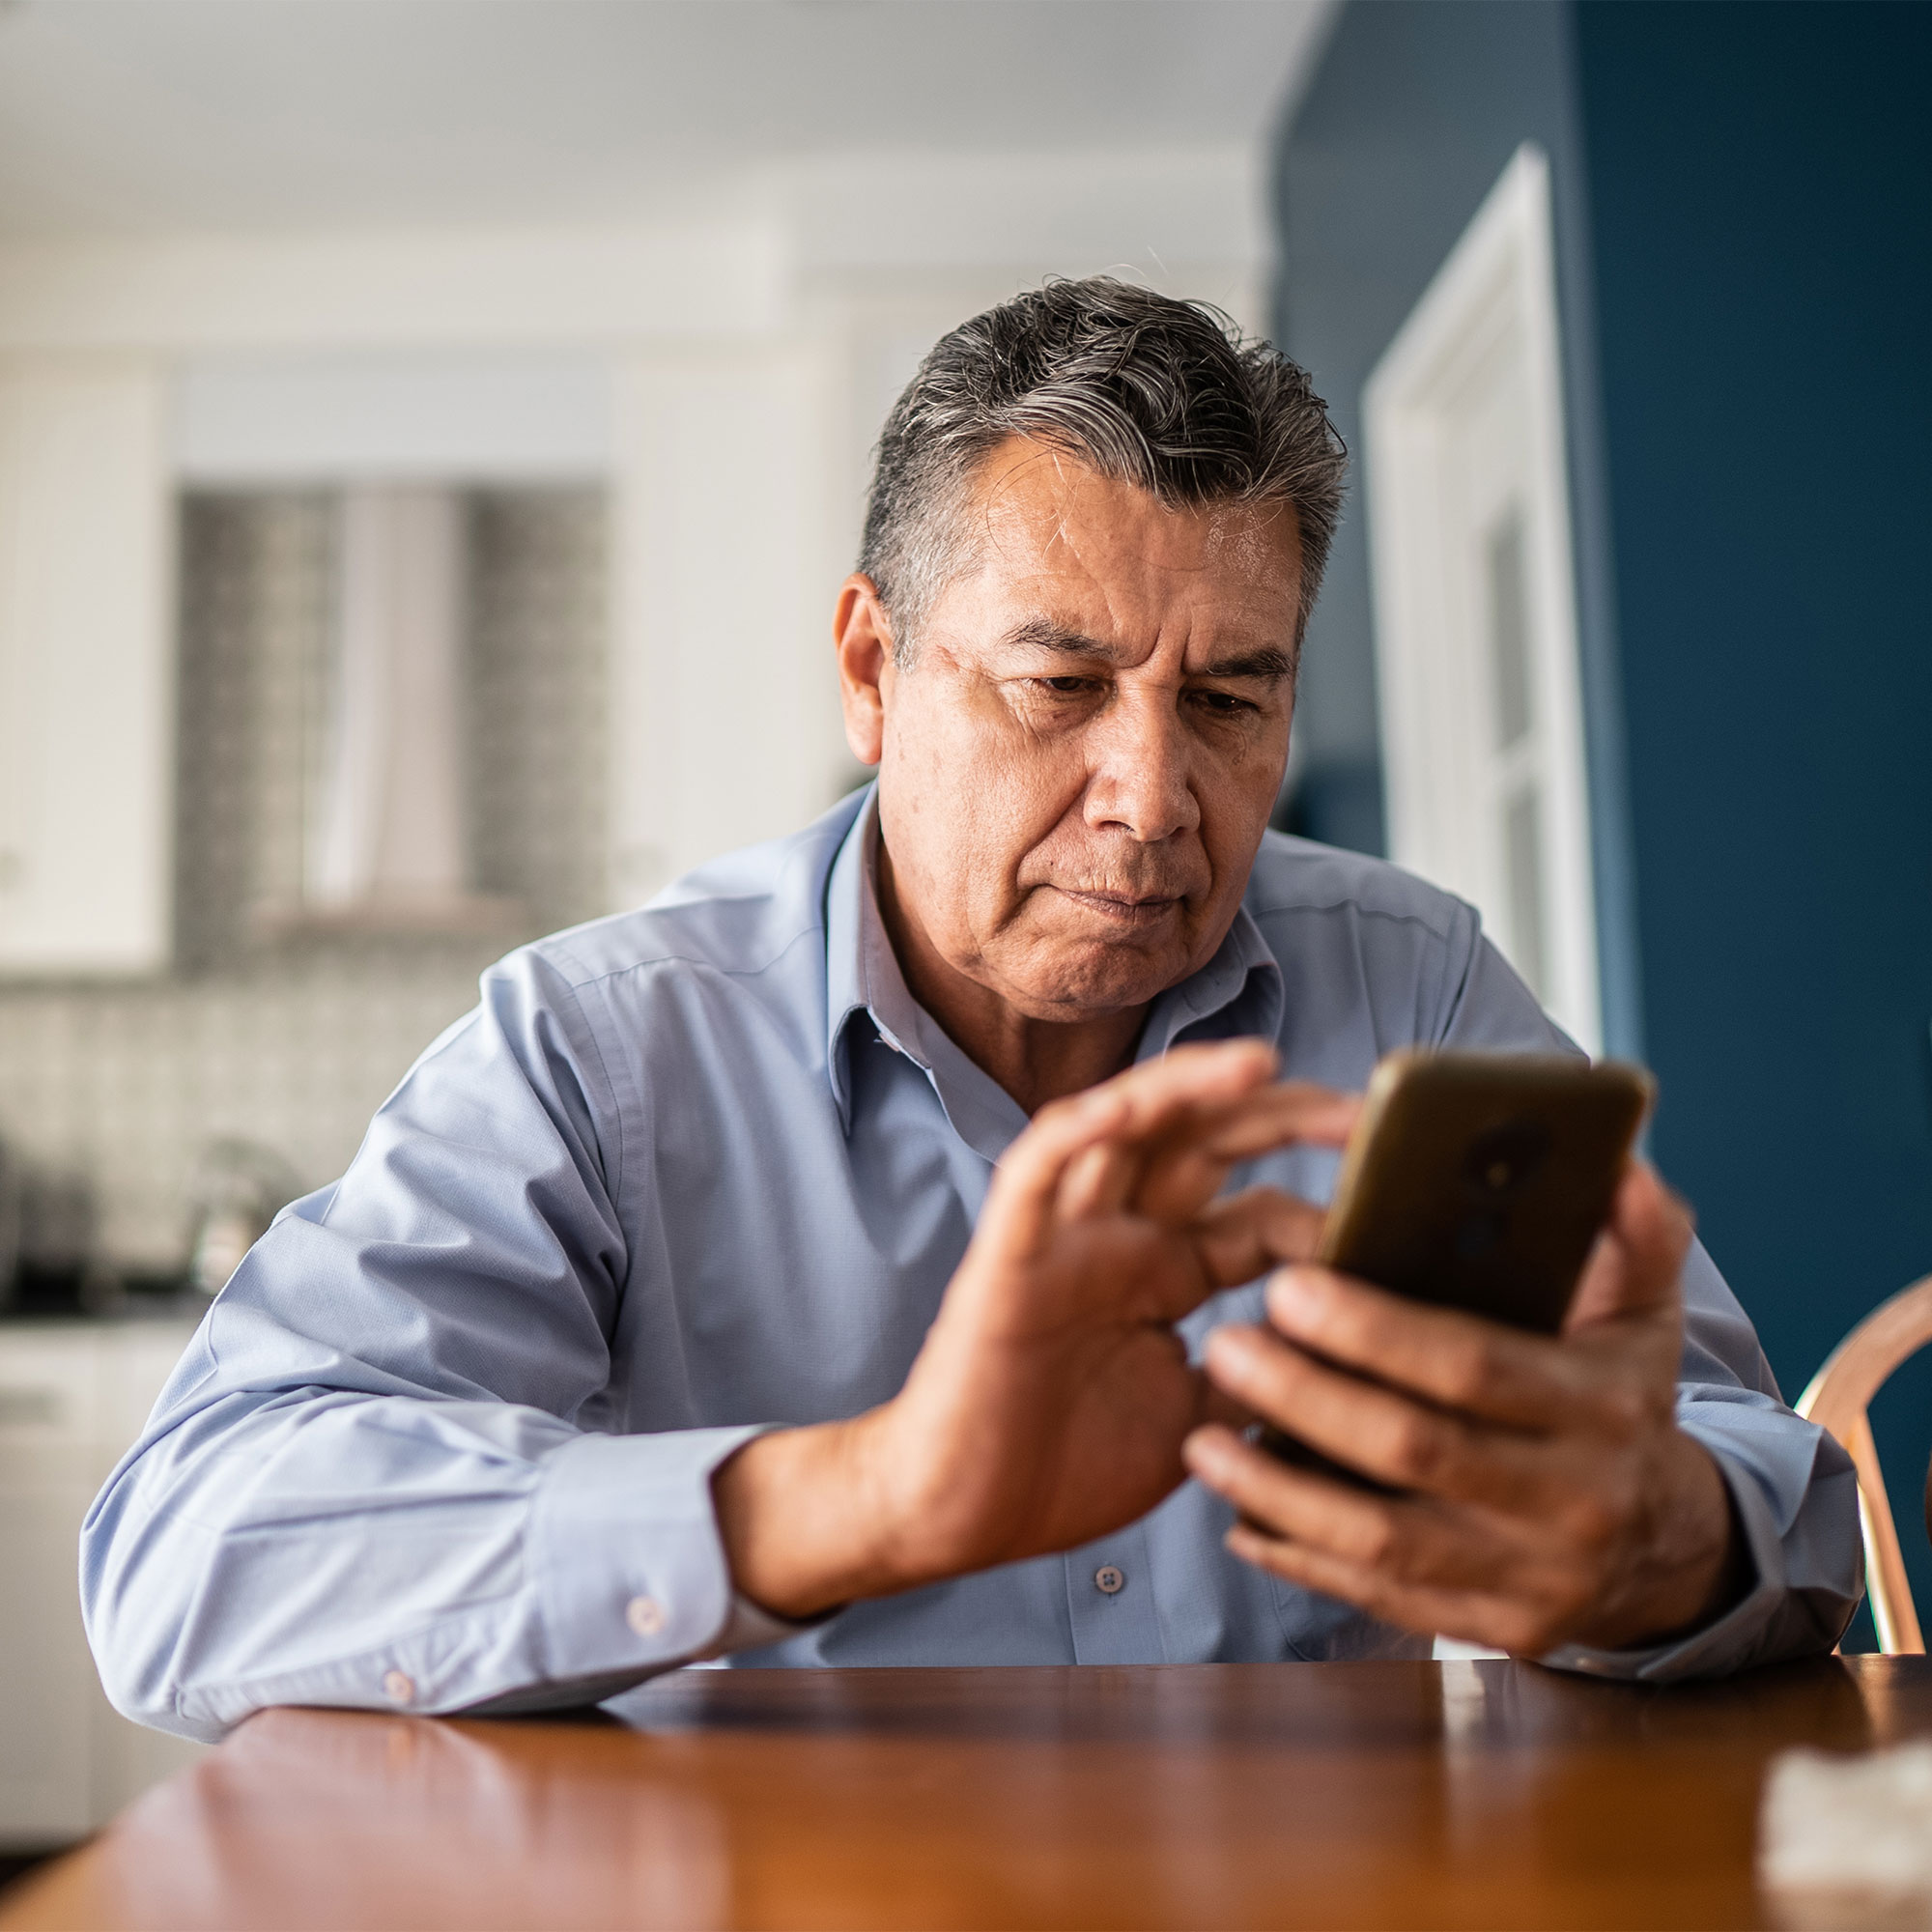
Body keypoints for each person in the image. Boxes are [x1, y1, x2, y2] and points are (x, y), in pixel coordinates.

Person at [83, 280, 1859, 1741]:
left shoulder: (1420, 982)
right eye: (1059, 685)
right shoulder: (598, 1048)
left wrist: (1655, 1545)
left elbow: (1774, 1497)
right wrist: (869, 1495)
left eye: (1232, 698)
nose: (1154, 797)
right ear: (873, 670)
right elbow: (187, 1554)